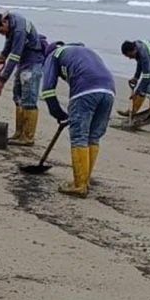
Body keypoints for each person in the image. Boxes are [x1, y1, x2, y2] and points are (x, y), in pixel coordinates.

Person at [40, 42, 115, 198]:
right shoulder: (84, 51)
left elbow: (47, 89)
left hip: (85, 91)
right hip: (109, 90)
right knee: (93, 137)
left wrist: (58, 113)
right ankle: (85, 180)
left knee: (79, 136)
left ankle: (79, 185)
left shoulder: (53, 56)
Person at [0, 11, 47, 146]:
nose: (2, 34)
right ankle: (18, 133)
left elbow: (15, 55)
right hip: (23, 63)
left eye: (1, 31)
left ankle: (28, 137)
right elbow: (9, 41)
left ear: (4, 22)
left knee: (29, 100)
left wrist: (2, 79)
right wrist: (3, 55)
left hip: (33, 62)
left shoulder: (19, 29)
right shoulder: (11, 23)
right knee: (18, 97)